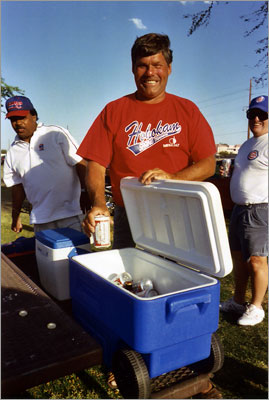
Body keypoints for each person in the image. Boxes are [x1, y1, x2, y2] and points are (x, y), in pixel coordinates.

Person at [77, 33, 216, 249]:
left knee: (178, 278)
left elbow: (208, 165)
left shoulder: (187, 110)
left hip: (179, 214)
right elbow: (95, 164)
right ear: (133, 69)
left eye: (157, 65)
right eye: (142, 65)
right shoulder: (114, 110)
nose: (150, 73)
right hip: (130, 216)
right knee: (129, 279)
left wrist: (172, 178)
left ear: (169, 68)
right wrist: (99, 204)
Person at [3, 95, 90, 233]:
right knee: (46, 254)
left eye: (22, 117)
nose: (18, 123)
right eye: (13, 119)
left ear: (34, 116)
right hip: (40, 220)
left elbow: (80, 164)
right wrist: (15, 216)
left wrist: (86, 193)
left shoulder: (55, 134)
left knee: (78, 254)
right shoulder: (12, 152)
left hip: (71, 214)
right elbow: (17, 188)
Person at [220, 95, 268, 326]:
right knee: (238, 259)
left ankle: (257, 306)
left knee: (257, 260)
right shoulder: (248, 144)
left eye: (262, 114)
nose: (256, 118)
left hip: (259, 210)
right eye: (252, 114)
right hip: (239, 210)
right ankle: (238, 300)